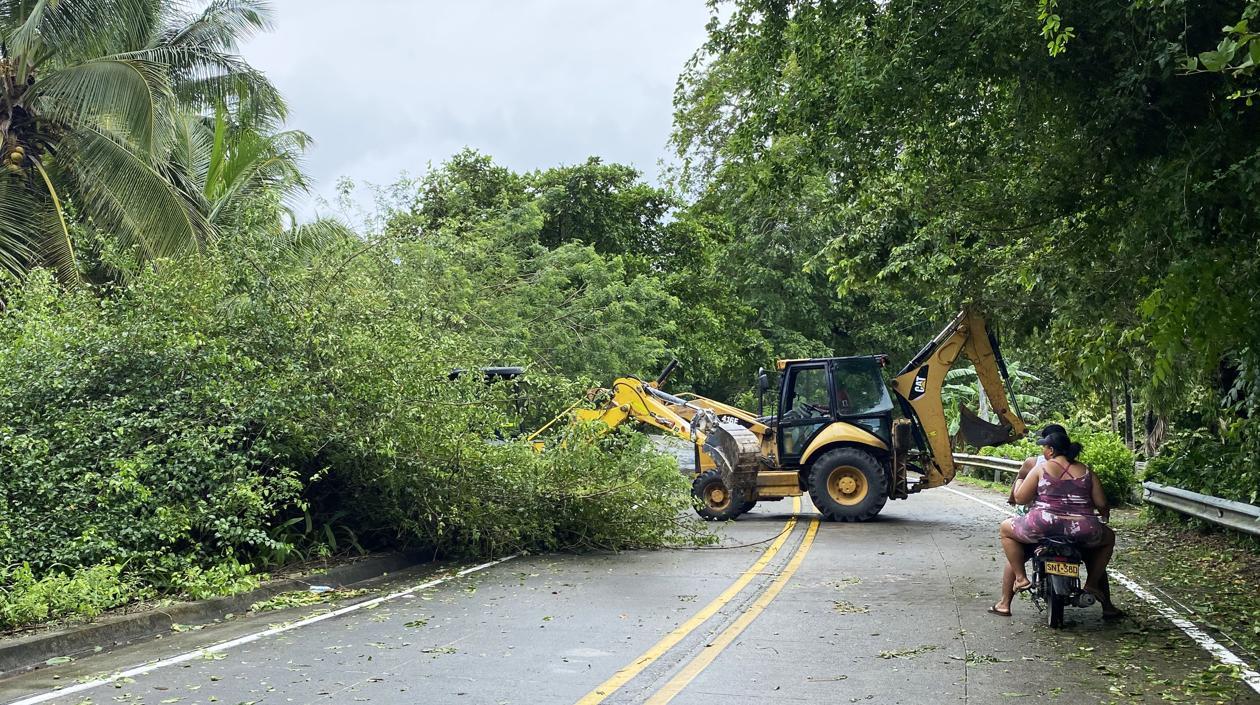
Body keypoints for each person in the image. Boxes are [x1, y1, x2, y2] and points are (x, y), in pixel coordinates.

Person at [993, 430, 1121, 618]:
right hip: (1082, 529)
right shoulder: (1086, 470)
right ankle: (1092, 584)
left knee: (1006, 529)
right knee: (1109, 537)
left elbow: (1020, 498)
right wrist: (1104, 514)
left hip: (1043, 525)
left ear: (1051, 450)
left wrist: (1019, 482)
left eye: (1044, 447)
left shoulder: (1042, 468)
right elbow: (1102, 503)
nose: (1043, 451)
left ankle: (1020, 579)